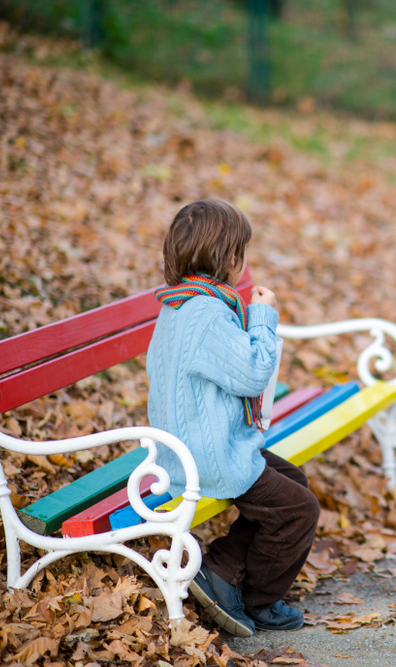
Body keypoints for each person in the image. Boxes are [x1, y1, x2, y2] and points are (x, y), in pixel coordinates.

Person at [147, 199, 320, 636]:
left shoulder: (179, 305)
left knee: (291, 483)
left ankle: (222, 569)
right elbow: (254, 374)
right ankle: (259, 599)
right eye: (241, 252)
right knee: (298, 509)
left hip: (187, 446)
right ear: (228, 259)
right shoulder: (206, 313)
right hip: (207, 456)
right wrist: (262, 315)